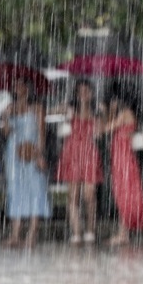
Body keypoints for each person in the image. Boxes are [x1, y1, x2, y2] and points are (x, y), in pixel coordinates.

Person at [1, 79, 51, 248]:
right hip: (13, 152)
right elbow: (6, 133)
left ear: (28, 88)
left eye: (20, 84)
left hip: (32, 151)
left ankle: (32, 233)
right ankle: (15, 234)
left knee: (35, 189)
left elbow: (42, 134)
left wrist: (40, 154)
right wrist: (5, 117)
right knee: (15, 189)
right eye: (14, 85)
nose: (16, 87)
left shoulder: (37, 108)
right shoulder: (11, 108)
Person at [55, 79, 103, 244]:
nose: (83, 94)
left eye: (86, 91)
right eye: (80, 91)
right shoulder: (70, 111)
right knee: (73, 195)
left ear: (91, 94)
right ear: (76, 94)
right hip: (72, 153)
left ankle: (90, 229)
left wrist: (103, 115)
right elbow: (51, 111)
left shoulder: (96, 113)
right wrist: (63, 112)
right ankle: (76, 231)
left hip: (89, 154)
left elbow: (100, 134)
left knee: (90, 195)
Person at [97, 89, 143, 244]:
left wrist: (106, 111)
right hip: (120, 160)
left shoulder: (125, 113)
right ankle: (123, 233)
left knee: (125, 194)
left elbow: (105, 129)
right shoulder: (124, 114)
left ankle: (123, 234)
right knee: (123, 194)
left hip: (124, 161)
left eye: (113, 101)